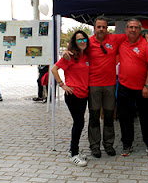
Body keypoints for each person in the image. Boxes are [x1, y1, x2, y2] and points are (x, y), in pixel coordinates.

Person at [63, 17, 126, 158]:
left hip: (110, 85)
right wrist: (65, 53)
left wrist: (147, 36)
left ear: (107, 28)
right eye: (99, 27)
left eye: (104, 27)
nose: (101, 29)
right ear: (95, 28)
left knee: (109, 116)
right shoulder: (88, 42)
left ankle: (108, 145)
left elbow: (131, 34)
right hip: (93, 86)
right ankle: (95, 146)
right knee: (94, 117)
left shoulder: (114, 39)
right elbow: (74, 50)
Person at [117, 18, 148, 158]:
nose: (133, 30)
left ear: (140, 30)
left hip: (142, 88)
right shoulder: (121, 43)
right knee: (125, 118)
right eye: (130, 27)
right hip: (124, 87)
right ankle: (127, 143)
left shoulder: (146, 45)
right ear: (126, 29)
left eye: (136, 27)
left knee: (145, 117)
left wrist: (147, 85)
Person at [51, 30, 90, 167]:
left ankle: (73, 150)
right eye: (78, 40)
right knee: (79, 123)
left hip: (84, 94)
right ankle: (73, 154)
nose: (82, 42)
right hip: (73, 95)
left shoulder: (86, 56)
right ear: (75, 42)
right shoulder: (70, 56)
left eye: (84, 39)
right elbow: (54, 69)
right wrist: (62, 85)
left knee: (79, 123)